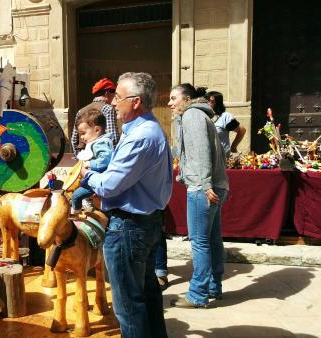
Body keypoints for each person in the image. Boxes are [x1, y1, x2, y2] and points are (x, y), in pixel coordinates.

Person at [80, 72, 172, 338]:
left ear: (135, 101)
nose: (113, 104)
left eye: (118, 98)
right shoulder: (148, 129)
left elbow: (109, 185)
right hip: (145, 222)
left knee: (128, 305)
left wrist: (86, 174)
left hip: (129, 226)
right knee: (146, 294)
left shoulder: (140, 136)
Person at [168, 83, 229, 309]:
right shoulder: (200, 115)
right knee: (212, 239)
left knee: (200, 242)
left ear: (187, 99)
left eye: (174, 98)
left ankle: (197, 294)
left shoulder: (192, 115)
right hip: (214, 185)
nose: (170, 102)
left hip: (202, 187)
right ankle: (214, 287)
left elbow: (201, 150)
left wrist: (204, 183)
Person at [71, 109, 113, 213]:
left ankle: (75, 214)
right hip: (95, 180)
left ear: (97, 130)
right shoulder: (95, 142)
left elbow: (105, 159)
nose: (81, 137)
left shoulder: (101, 143)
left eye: (83, 133)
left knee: (76, 196)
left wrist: (90, 163)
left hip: (98, 180)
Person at [71, 78, 119, 155]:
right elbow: (113, 137)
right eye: (115, 94)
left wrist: (78, 156)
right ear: (107, 94)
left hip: (83, 155)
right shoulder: (108, 109)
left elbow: (74, 139)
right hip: (102, 155)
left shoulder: (80, 111)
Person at [205, 90, 247, 159]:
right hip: (205, 158)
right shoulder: (201, 116)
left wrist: (233, 147)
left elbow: (242, 130)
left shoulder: (225, 117)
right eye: (207, 101)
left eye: (211, 101)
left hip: (221, 159)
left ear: (217, 103)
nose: (208, 103)